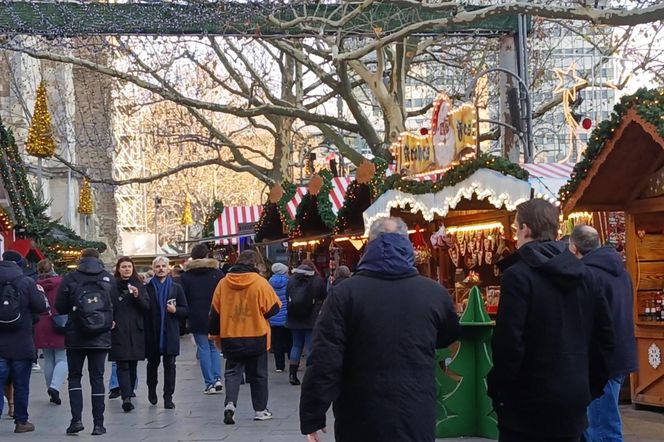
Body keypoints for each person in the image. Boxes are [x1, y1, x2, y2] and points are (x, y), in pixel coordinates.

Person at [299, 217, 460, 441]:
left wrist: (313, 414)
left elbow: (325, 357)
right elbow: (447, 336)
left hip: (359, 411)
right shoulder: (433, 293)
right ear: (407, 243)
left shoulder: (345, 294)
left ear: (370, 243)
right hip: (414, 406)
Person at [487, 200, 615, 442]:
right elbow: (605, 338)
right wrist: (590, 386)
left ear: (525, 229)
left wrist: (499, 389)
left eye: (515, 228)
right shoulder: (586, 275)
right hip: (573, 397)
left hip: (526, 403)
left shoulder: (518, 276)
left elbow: (508, 344)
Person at [569, 225, 638, 442]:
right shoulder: (621, 272)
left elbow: (586, 320)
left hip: (601, 358)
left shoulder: (587, 274)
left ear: (573, 247)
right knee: (602, 419)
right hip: (620, 352)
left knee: (602, 424)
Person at [209, 250, 281, 425]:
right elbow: (273, 309)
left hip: (231, 335)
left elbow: (214, 313)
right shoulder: (260, 283)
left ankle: (230, 404)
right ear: (255, 264)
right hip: (257, 335)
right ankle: (260, 410)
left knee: (233, 373)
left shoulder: (223, 283)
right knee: (258, 375)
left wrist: (214, 335)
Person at [55, 248, 115, 436]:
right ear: (98, 259)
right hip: (101, 335)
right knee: (97, 378)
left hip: (76, 335)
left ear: (81, 259)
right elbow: (115, 304)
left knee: (75, 377)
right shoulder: (107, 278)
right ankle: (99, 424)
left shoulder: (71, 278)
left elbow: (60, 306)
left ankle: (76, 420)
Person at [0, 251, 48, 433]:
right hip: (22, 342)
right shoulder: (26, 282)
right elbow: (40, 307)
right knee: (21, 384)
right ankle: (21, 421)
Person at [143, 256, 188, 409]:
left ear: (168, 268)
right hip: (153, 332)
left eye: (163, 266)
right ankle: (151, 390)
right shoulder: (147, 288)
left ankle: (168, 396)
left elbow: (185, 310)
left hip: (170, 332)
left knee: (170, 365)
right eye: (158, 266)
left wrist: (176, 311)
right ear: (153, 269)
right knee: (152, 364)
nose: (161, 269)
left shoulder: (176, 287)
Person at [180, 243, 225, 394]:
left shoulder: (186, 276)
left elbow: (183, 298)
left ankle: (210, 383)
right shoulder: (217, 273)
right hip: (215, 314)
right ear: (207, 255)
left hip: (196, 316)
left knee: (203, 348)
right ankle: (218, 378)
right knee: (214, 348)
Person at [109, 257, 149, 413]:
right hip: (118, 329)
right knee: (122, 363)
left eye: (129, 267)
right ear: (118, 269)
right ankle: (126, 396)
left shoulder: (139, 286)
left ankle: (129, 392)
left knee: (133, 363)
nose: (126, 269)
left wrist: (137, 296)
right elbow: (108, 305)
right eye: (123, 266)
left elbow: (147, 307)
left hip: (136, 330)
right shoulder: (112, 287)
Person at [286, 259, 326, 386]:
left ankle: (292, 375)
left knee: (296, 345)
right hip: (311, 318)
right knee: (310, 346)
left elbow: (288, 296)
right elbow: (324, 297)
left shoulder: (291, 280)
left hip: (294, 317)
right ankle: (310, 375)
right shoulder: (318, 280)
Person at [34, 259, 67, 406]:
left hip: (41, 322)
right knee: (62, 358)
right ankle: (55, 387)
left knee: (48, 359)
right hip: (59, 320)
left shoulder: (35, 285)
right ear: (52, 267)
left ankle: (50, 389)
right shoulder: (61, 282)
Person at [268, 263, 291, 373]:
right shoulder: (289, 282)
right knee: (289, 340)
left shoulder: (269, 283)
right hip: (287, 315)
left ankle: (279, 366)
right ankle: (292, 362)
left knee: (277, 342)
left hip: (274, 316)